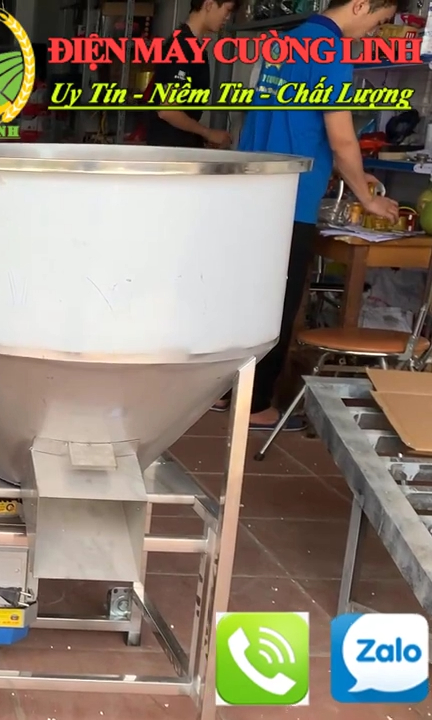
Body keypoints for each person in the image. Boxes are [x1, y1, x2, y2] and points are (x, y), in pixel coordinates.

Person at [229, 0, 400, 431]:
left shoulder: (284, 43)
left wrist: (347, 176)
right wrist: (367, 198)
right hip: (291, 195)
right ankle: (255, 406)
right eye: (377, 21)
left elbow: (276, 121)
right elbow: (341, 138)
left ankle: (225, 393)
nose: (372, 32)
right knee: (277, 304)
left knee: (243, 297)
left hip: (251, 189)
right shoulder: (330, 50)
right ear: (360, 5)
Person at [144, 0, 238, 148]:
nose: (228, 18)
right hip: (169, 149)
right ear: (209, 5)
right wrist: (207, 133)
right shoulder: (182, 47)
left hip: (180, 146)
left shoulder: (195, 48)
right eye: (227, 10)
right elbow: (167, 110)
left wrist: (201, 137)